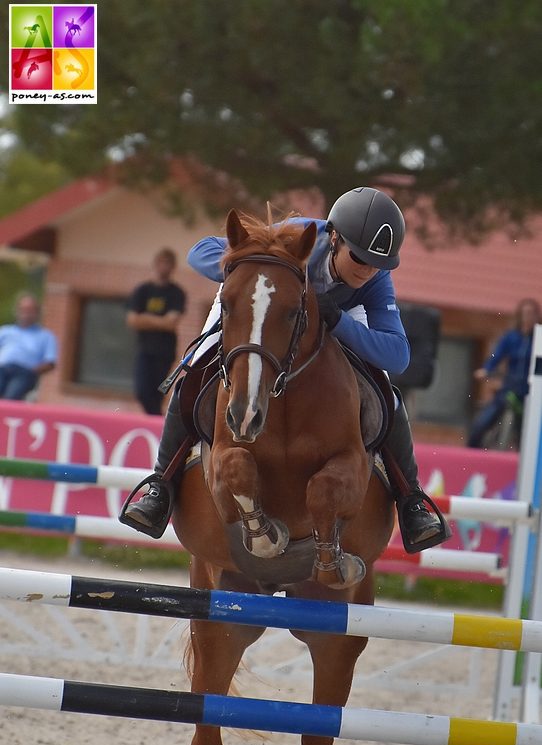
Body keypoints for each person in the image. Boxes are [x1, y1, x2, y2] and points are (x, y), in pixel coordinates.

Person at [122, 186, 450, 553]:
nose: (369, 270)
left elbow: (399, 355)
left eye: (379, 264)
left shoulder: (374, 281)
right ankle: (160, 486)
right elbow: (200, 252)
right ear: (335, 238)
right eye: (359, 258)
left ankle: (411, 500)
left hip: (333, 321)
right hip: (265, 308)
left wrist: (338, 320)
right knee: (199, 367)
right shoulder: (298, 236)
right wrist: (251, 263)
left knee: (384, 390)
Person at [468, 298, 541, 448]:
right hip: (510, 388)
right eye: (525, 313)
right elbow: (497, 355)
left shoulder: (538, 339)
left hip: (529, 392)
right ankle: (471, 451)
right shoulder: (511, 337)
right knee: (482, 423)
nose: (528, 317)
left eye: (531, 314)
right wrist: (486, 369)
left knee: (528, 431)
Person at [126, 247, 187, 415]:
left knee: (157, 394)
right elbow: (132, 320)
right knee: (141, 391)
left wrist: (144, 318)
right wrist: (159, 321)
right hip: (144, 349)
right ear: (155, 264)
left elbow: (171, 323)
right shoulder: (142, 291)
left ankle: (154, 422)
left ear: (173, 267)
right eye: (161, 263)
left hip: (164, 351)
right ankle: (155, 420)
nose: (164, 267)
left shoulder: (176, 293)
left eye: (168, 263)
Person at [0, 293, 58, 400]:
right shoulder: (5, 331)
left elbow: (50, 362)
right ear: (17, 311)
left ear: (37, 313)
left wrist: (31, 371)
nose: (26, 314)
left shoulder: (46, 336)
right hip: (2, 368)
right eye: (23, 310)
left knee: (10, 398)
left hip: (24, 372)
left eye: (30, 311)